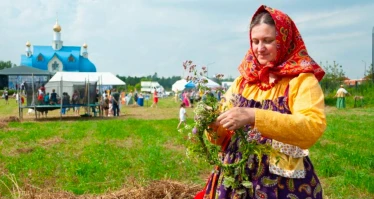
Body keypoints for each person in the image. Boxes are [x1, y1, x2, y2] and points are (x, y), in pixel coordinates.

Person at [196, 5, 326, 199]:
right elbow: (220, 137)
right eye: (255, 41)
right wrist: (212, 125)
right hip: (237, 178)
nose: (260, 48)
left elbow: (311, 128)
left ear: (284, 41)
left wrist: (253, 116)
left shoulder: (301, 81)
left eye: (268, 41)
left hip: (282, 182)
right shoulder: (244, 81)